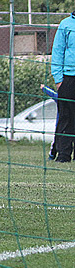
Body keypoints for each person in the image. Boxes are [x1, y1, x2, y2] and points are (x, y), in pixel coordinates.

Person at [50, 12, 75, 163]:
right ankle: (63, 154)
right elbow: (57, 52)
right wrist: (59, 79)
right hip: (68, 78)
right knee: (66, 117)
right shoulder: (65, 24)